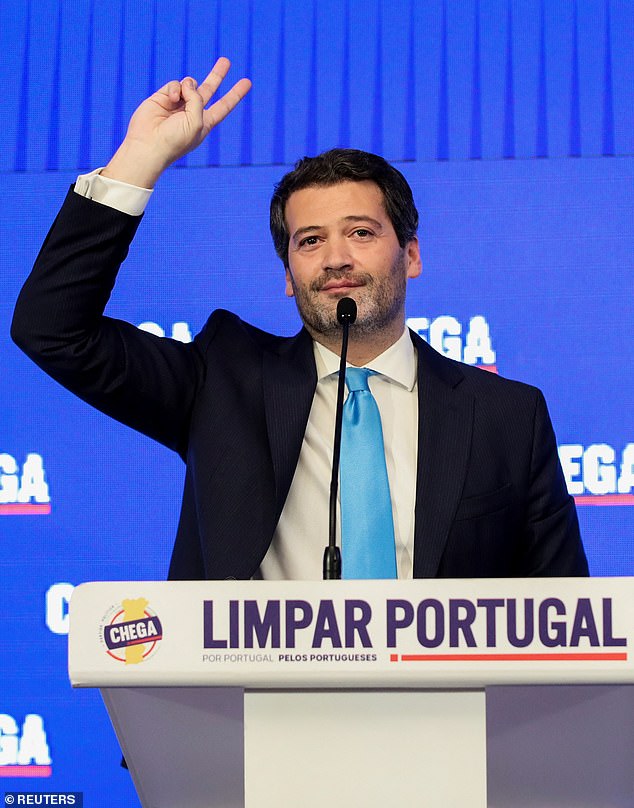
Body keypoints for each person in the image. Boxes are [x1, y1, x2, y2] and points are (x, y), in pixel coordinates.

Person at [11, 58, 588, 580]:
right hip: (253, 695)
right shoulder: (222, 382)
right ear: (288, 275)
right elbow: (53, 328)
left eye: (361, 232)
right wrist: (139, 159)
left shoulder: (507, 416)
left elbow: (567, 627)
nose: (336, 257)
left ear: (410, 255)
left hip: (445, 698)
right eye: (310, 241)